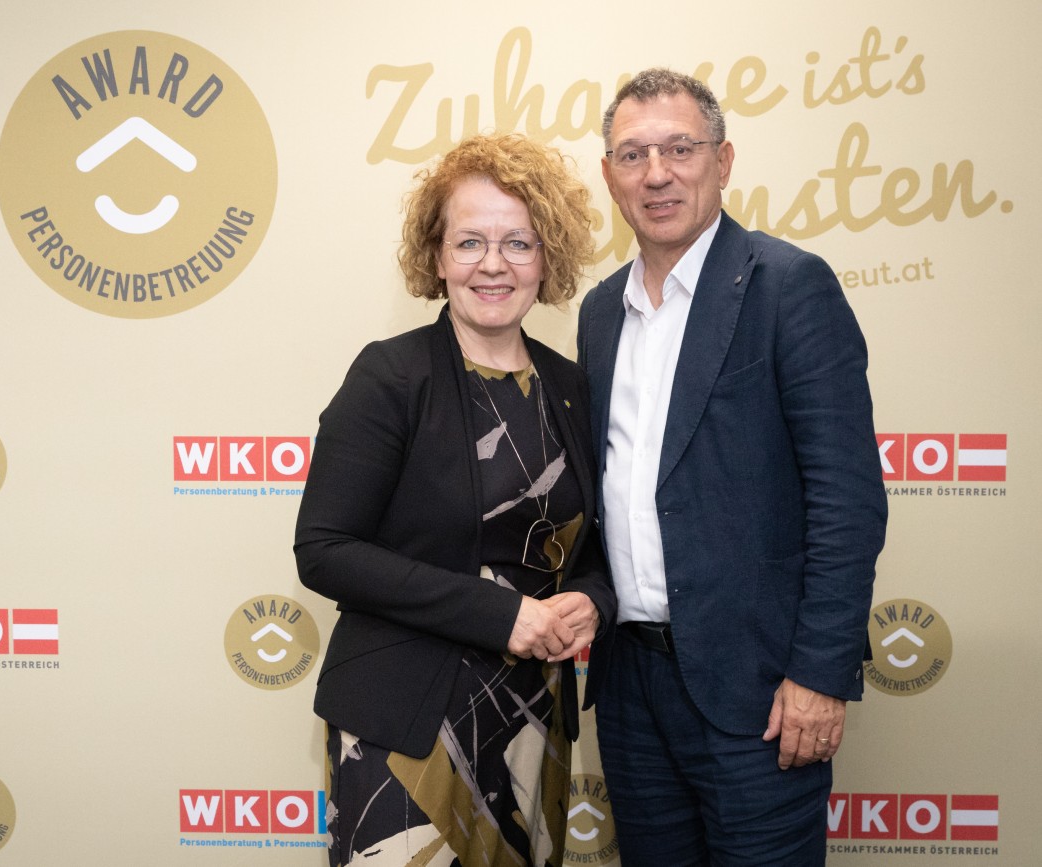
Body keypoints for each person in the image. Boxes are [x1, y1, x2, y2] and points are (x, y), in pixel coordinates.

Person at [577, 68, 888, 865]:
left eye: (680, 148)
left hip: (762, 694)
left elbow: (847, 500)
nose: (657, 173)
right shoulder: (600, 311)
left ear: (723, 160)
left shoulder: (789, 287)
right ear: (610, 175)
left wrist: (820, 674)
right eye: (633, 154)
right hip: (631, 690)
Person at [295, 133, 616, 867]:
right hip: (403, 729)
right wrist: (501, 614)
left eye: (518, 243)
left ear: (548, 258)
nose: (493, 264)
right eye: (470, 242)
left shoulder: (571, 386)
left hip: (532, 723)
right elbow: (325, 550)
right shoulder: (389, 376)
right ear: (437, 257)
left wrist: (593, 600)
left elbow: (596, 544)